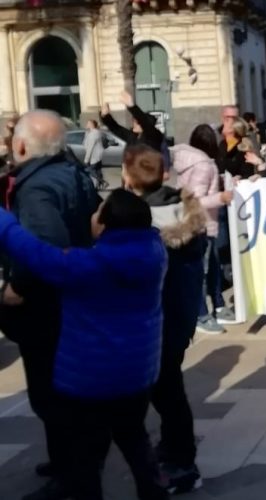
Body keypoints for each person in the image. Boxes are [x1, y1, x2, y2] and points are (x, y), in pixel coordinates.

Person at [0, 188, 169, 500]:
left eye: (98, 210)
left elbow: (32, 251)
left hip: (91, 381)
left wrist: (4, 221)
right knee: (135, 440)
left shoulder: (86, 267)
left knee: (86, 459)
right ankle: (155, 493)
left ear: (105, 225)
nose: (92, 214)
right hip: (136, 374)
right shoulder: (154, 253)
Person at [0, 110, 99, 499]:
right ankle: (66, 464)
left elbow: (45, 246)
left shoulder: (36, 188)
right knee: (62, 390)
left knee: (49, 394)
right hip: (72, 299)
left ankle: (72, 477)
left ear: (22, 145)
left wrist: (18, 287)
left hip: (45, 305)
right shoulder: (72, 173)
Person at [122, 144, 208, 493]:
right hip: (180, 318)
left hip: (151, 322)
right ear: (165, 174)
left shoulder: (136, 222)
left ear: (127, 177)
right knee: (168, 391)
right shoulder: (185, 210)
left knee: (166, 395)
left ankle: (182, 462)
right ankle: (174, 450)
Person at [172, 125, 235, 335]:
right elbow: (196, 199)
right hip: (202, 224)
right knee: (202, 271)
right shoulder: (204, 165)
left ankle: (217, 305)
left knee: (213, 268)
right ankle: (201, 314)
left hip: (199, 224)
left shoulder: (193, 162)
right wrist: (221, 198)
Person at [101, 91, 168, 169]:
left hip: (146, 175)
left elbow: (145, 122)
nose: (133, 124)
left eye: (136, 122)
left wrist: (132, 106)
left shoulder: (154, 136)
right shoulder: (133, 136)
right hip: (132, 176)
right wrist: (106, 116)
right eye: (134, 121)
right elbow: (116, 128)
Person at [83, 118, 108, 190]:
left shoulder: (93, 134)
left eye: (88, 123)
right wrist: (87, 132)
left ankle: (102, 182)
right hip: (98, 156)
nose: (86, 124)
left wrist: (86, 160)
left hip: (94, 156)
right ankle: (100, 185)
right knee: (97, 170)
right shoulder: (93, 132)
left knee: (90, 170)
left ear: (91, 125)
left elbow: (90, 148)